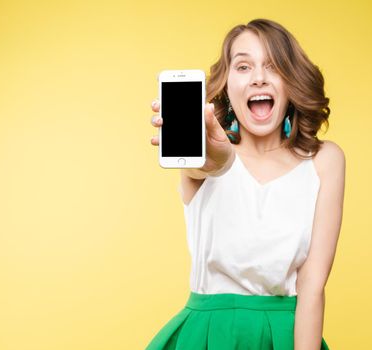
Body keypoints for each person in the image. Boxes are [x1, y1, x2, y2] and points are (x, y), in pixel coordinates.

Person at [147, 18, 345, 350]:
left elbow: (312, 286)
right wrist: (216, 155)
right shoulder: (206, 154)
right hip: (208, 336)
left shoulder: (325, 161)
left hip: (285, 335)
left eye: (273, 66)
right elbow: (213, 163)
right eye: (243, 66)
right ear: (226, 85)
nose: (258, 78)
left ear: (291, 82)